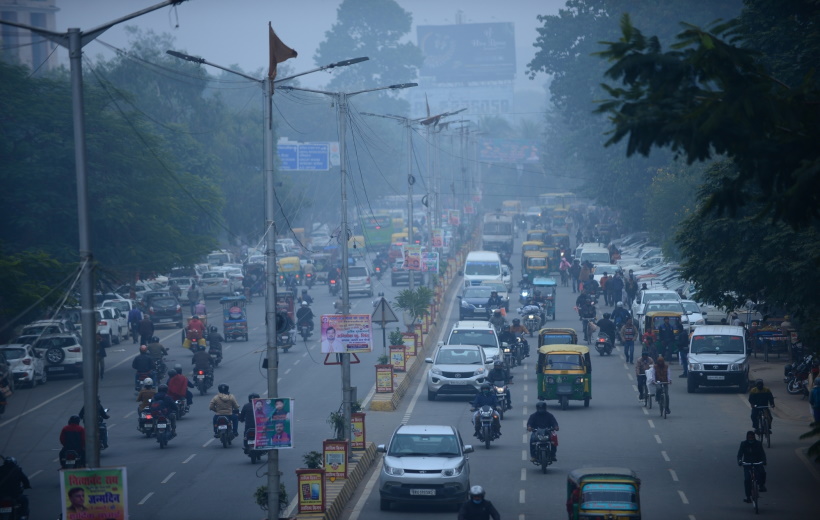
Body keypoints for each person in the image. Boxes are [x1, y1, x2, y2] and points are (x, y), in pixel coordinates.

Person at [737, 430, 767, 502]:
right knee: (747, 480)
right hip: (747, 464)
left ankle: (761, 485)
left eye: (752, 437)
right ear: (747, 437)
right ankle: (748, 497)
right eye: (749, 437)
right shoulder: (743, 444)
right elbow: (739, 455)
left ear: (754, 437)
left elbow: (762, 454)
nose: (751, 439)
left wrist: (764, 461)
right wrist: (740, 461)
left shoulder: (758, 444)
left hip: (757, 463)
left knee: (762, 473)